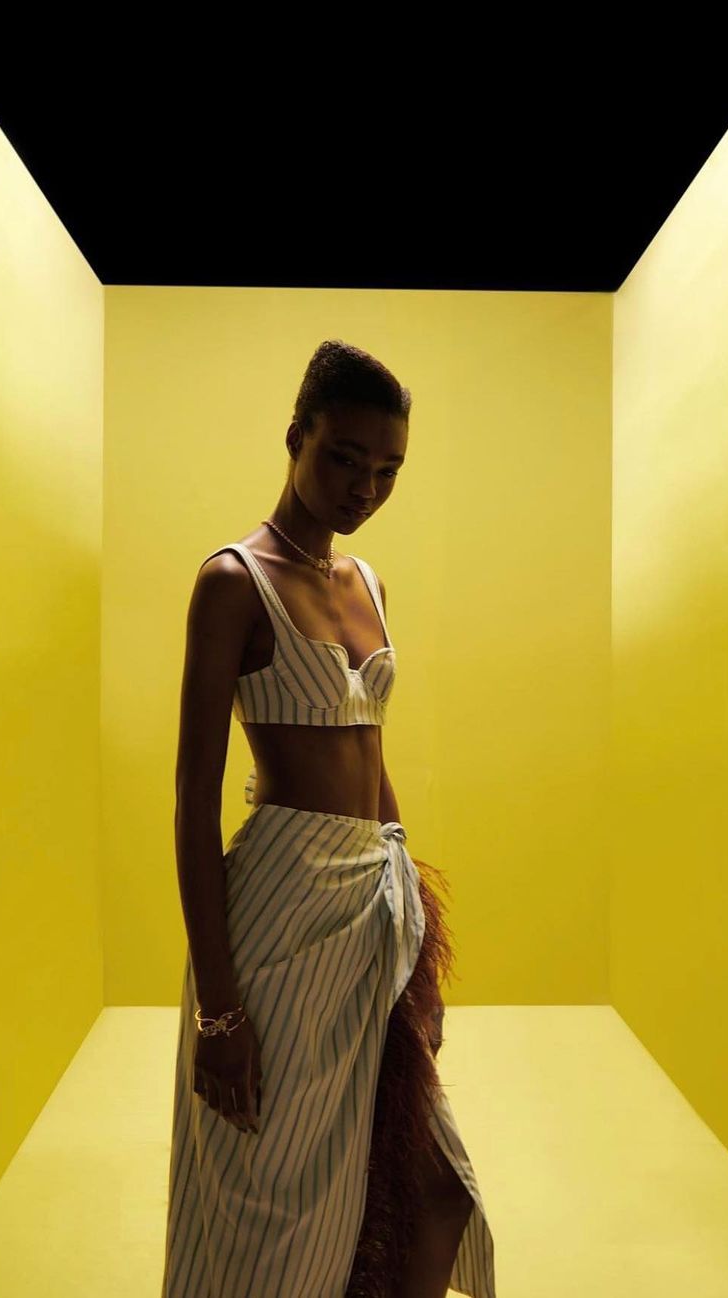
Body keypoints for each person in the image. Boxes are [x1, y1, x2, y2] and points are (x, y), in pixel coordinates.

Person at [161, 340, 496, 1297]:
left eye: (388, 468)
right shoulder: (233, 581)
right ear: (295, 436)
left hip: (375, 906)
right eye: (345, 457)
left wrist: (416, 932)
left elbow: (372, 761)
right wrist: (219, 1009)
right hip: (280, 919)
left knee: (434, 1192)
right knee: (278, 1209)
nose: (365, 487)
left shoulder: (368, 584)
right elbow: (193, 796)